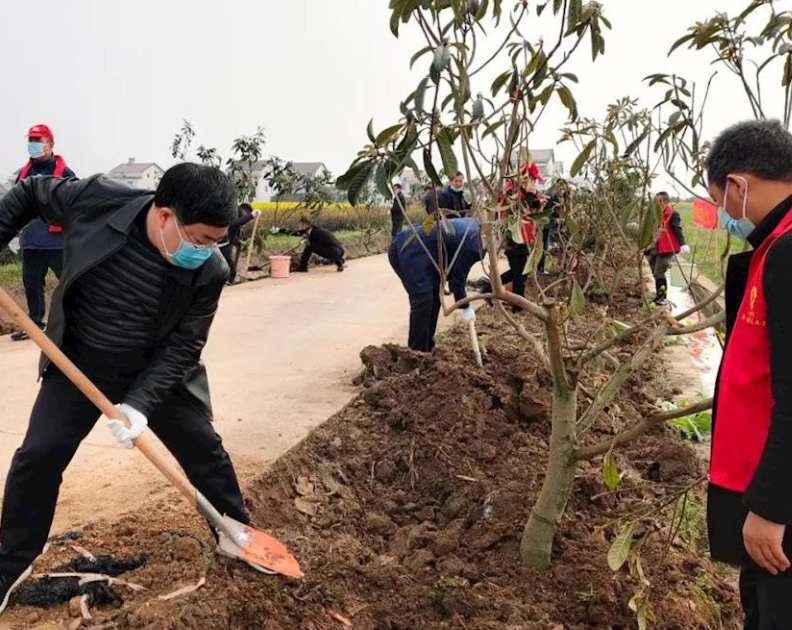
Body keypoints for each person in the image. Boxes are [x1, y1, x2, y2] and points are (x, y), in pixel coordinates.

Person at [0, 164, 249, 613]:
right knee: (38, 455)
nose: (212, 251)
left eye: (219, 241)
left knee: (204, 449)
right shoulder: (97, 201)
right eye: (203, 239)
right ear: (165, 216)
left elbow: (186, 344)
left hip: (154, 368)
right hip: (78, 360)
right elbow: (32, 192)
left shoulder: (210, 271)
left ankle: (238, 534)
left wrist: (139, 405)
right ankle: (8, 564)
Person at [705, 119, 792, 630]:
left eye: (720, 202)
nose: (723, 217)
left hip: (777, 510)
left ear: (738, 185)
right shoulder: (773, 245)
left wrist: (770, 508)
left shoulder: (788, 251)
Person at [11, 125, 76, 342]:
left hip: (56, 240)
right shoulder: (23, 173)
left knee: (68, 283)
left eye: (38, 140)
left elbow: (75, 202)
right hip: (31, 240)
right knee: (31, 283)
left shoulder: (64, 173)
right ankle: (35, 324)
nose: (34, 144)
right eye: (31, 140)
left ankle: (76, 323)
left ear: (50, 144)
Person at [389, 217, 484, 352]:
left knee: (435, 297)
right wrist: (465, 306)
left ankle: (428, 347)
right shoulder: (475, 246)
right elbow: (458, 279)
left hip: (428, 256)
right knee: (423, 300)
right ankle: (416, 353)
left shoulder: (477, 225)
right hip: (407, 250)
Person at [498, 162, 545, 298]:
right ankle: (518, 305)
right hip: (514, 237)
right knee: (520, 274)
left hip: (524, 236)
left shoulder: (522, 192)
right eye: (533, 179)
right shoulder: (513, 191)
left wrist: (538, 203)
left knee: (518, 272)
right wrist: (532, 195)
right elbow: (520, 209)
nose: (535, 182)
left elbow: (529, 207)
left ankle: (489, 287)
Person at [645, 192, 690, 305]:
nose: (656, 204)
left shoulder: (672, 214)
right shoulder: (654, 215)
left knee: (659, 273)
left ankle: (662, 297)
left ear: (665, 201)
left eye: (658, 202)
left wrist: (682, 243)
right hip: (654, 247)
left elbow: (677, 229)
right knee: (655, 273)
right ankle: (658, 295)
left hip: (666, 248)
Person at [271, 216, 345, 272]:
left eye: (300, 225)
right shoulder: (312, 230)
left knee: (309, 246)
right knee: (311, 245)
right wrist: (279, 230)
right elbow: (296, 233)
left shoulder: (317, 232)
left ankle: (303, 267)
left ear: (305, 225)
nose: (299, 227)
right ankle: (340, 264)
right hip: (338, 251)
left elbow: (319, 242)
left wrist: (308, 241)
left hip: (335, 251)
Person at [220, 202, 260, 284]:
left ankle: (227, 280)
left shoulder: (236, 214)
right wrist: (251, 216)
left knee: (226, 263)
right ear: (245, 210)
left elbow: (235, 229)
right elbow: (235, 224)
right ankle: (227, 281)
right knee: (228, 264)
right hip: (222, 243)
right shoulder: (236, 213)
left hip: (226, 243)